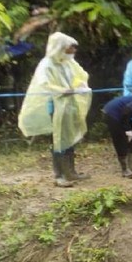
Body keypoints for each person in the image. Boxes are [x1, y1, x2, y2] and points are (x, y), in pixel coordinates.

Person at [18, 32, 92, 188]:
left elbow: (81, 75)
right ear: (61, 47)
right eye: (71, 47)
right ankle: (59, 175)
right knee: (59, 140)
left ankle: (71, 172)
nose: (74, 51)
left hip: (70, 106)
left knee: (70, 138)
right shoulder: (47, 64)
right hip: (55, 107)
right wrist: (62, 90)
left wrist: (80, 85)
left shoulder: (68, 62)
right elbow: (44, 85)